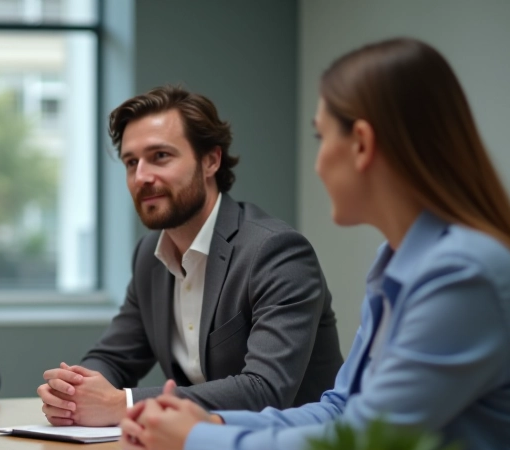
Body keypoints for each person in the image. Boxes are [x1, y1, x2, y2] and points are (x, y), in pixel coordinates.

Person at [119, 38, 510, 450]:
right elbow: (340, 409)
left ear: (362, 145)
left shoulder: (463, 273)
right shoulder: (397, 261)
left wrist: (198, 442)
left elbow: (363, 445)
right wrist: (211, 421)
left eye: (320, 137)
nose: (316, 163)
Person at [38, 86, 343, 427]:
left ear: (211, 160)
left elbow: (265, 389)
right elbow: (114, 357)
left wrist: (121, 404)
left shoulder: (276, 251)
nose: (141, 177)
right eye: (131, 162)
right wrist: (73, 391)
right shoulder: (149, 256)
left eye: (160, 156)